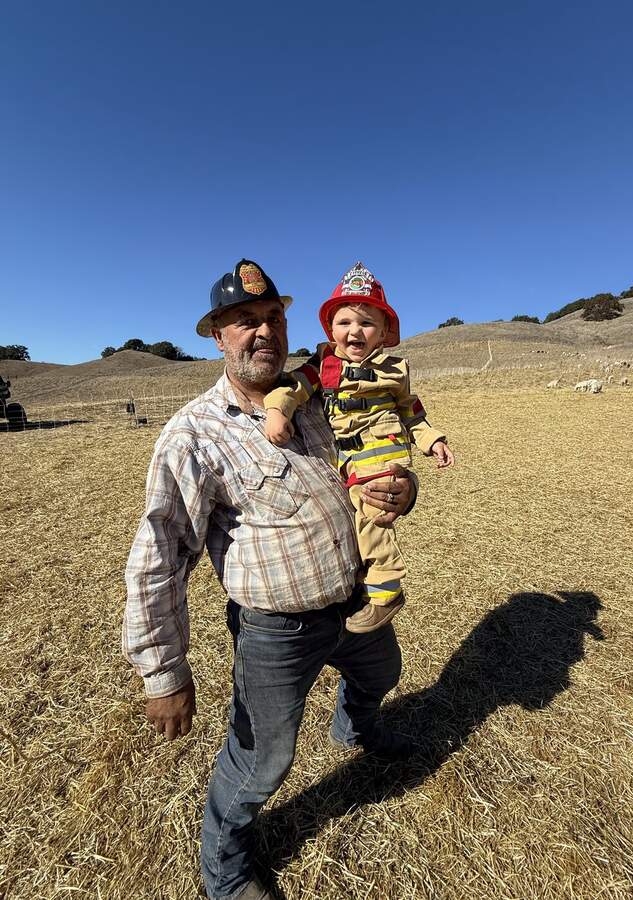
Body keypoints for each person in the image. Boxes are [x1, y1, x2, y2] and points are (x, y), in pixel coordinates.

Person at [123, 259, 418, 900]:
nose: (262, 332)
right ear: (217, 336)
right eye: (244, 322)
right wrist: (164, 673)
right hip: (277, 630)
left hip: (357, 598)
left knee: (382, 674)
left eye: (273, 318)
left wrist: (403, 488)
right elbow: (161, 555)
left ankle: (358, 727)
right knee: (263, 759)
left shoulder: (322, 394)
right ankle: (225, 871)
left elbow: (376, 461)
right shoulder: (193, 433)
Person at [264, 261, 454, 633]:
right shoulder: (325, 365)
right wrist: (276, 409)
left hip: (383, 450)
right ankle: (368, 582)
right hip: (348, 457)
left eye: (367, 324)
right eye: (345, 323)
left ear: (383, 333)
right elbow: (294, 387)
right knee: (358, 517)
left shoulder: (393, 370)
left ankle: (386, 590)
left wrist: (433, 440)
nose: (355, 332)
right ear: (331, 329)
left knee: (373, 518)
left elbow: (411, 410)